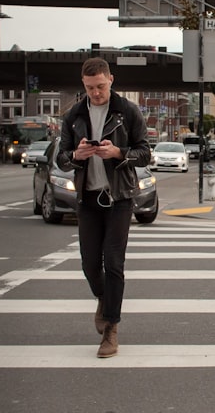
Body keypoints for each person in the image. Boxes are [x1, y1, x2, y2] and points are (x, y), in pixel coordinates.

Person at [56, 58, 151, 358]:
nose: (95, 93)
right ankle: (104, 299)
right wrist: (77, 155)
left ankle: (111, 329)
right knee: (88, 264)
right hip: (88, 198)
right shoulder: (74, 115)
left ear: (111, 79)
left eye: (100, 86)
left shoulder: (127, 111)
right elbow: (61, 158)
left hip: (119, 198)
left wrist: (118, 152)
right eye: (89, 88)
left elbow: (145, 153)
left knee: (113, 263)